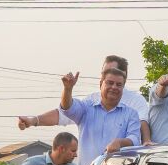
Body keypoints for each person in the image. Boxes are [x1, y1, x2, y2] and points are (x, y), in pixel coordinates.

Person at [17, 55, 152, 145]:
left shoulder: (134, 104)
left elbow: (141, 125)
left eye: (117, 83)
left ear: (123, 76)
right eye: (104, 73)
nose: (113, 87)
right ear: (101, 82)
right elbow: (64, 112)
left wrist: (146, 141)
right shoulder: (90, 102)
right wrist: (33, 121)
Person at [60, 67, 141, 165]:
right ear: (100, 84)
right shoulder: (86, 108)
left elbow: (135, 138)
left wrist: (119, 142)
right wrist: (67, 89)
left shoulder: (131, 113)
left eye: (119, 84)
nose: (114, 87)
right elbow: (67, 109)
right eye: (110, 83)